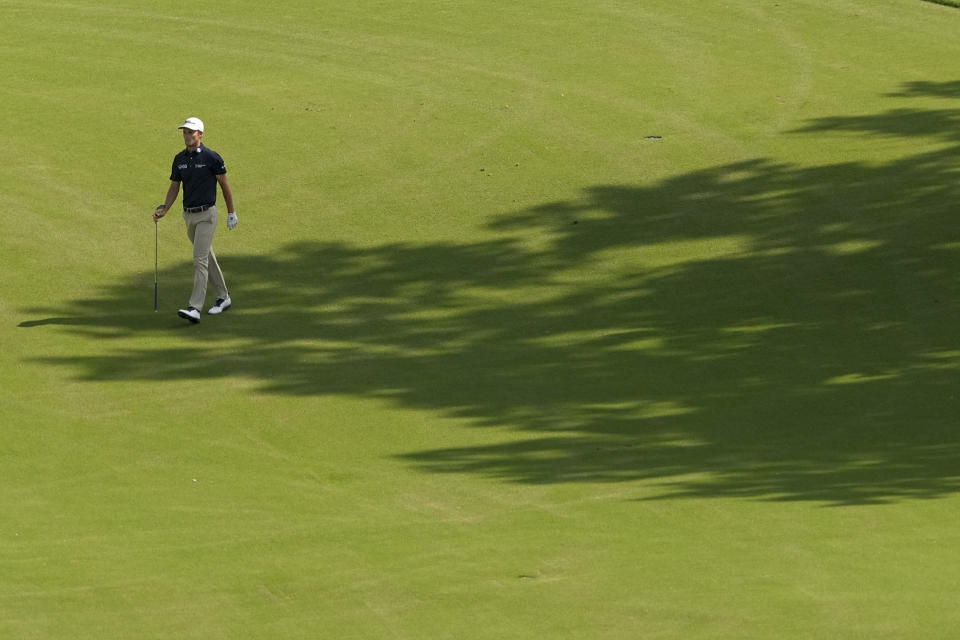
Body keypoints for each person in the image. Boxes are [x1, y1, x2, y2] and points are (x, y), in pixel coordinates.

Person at [153, 117, 238, 323]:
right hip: (189, 216)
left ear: (200, 134)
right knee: (206, 256)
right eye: (184, 132)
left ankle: (195, 307)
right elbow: (174, 186)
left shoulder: (211, 157)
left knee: (199, 259)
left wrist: (231, 212)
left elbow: (225, 186)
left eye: (191, 132)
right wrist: (165, 209)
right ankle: (223, 297)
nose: (187, 136)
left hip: (207, 215)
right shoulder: (179, 159)